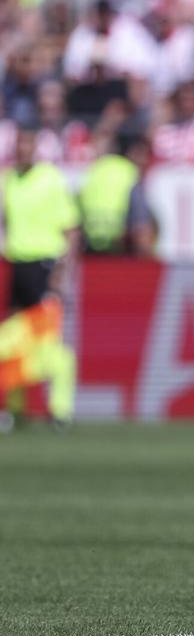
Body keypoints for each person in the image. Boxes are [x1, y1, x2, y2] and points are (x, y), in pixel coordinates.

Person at [0, 124, 80, 429]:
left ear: (36, 148)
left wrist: (61, 274)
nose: (23, 150)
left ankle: (60, 410)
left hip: (44, 267)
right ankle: (16, 411)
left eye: (28, 145)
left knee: (47, 346)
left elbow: (71, 230)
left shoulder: (50, 180)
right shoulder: (8, 180)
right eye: (19, 144)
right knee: (15, 346)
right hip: (17, 266)